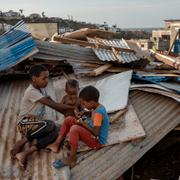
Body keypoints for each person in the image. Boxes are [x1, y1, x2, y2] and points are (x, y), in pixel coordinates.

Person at [10, 64, 76, 169]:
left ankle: (25, 154)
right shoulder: (31, 92)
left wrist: (68, 116)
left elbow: (55, 105)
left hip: (37, 124)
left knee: (56, 131)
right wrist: (73, 107)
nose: (47, 80)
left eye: (48, 77)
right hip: (24, 123)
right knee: (50, 124)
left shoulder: (42, 90)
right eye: (44, 78)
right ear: (34, 79)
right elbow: (53, 105)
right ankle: (23, 141)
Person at [49, 85, 110, 167]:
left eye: (84, 104)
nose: (83, 106)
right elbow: (90, 110)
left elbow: (96, 133)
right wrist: (83, 112)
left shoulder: (99, 113)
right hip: (91, 130)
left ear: (92, 102)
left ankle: (72, 158)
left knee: (75, 129)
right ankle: (57, 143)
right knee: (69, 119)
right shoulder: (96, 106)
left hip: (97, 141)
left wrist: (83, 123)